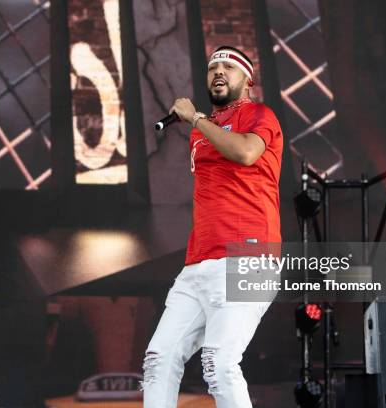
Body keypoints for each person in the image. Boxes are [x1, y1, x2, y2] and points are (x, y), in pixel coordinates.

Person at [140, 45, 283, 408]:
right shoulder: (203, 132)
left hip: (247, 255)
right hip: (199, 261)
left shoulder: (258, 113)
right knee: (159, 359)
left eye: (228, 67)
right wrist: (202, 124)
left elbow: (246, 153)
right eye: (212, 68)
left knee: (219, 362)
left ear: (247, 80)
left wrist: (196, 118)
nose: (218, 72)